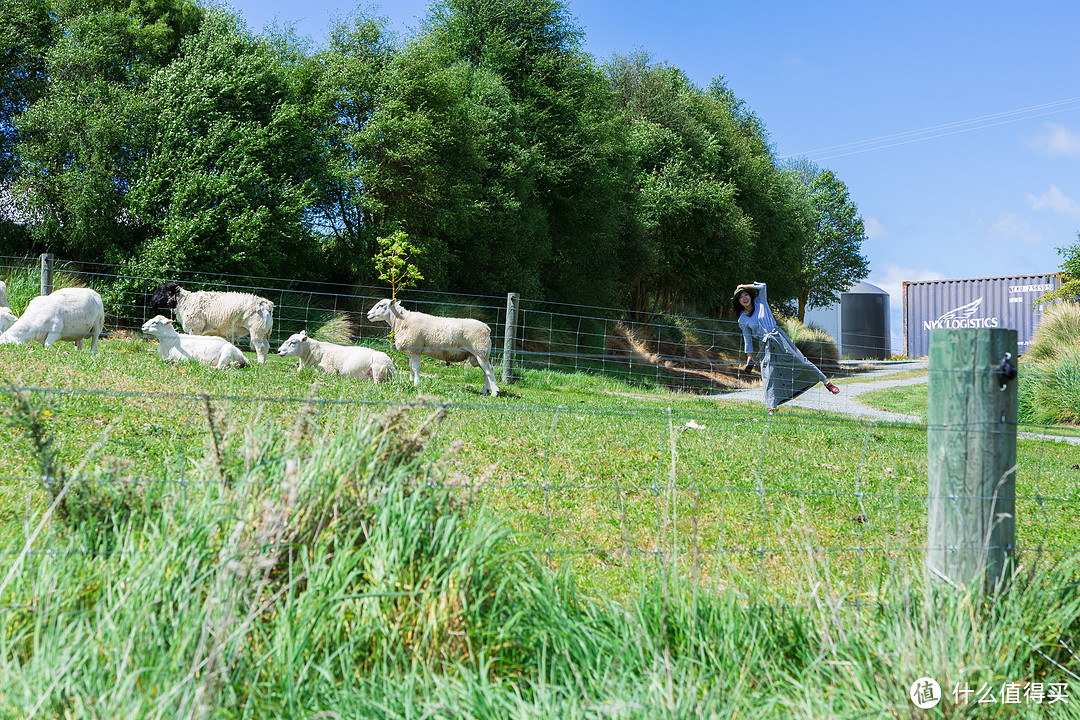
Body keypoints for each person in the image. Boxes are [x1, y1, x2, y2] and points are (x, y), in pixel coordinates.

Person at [734, 281, 840, 414]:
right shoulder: (742, 319)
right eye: (741, 297)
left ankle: (826, 383)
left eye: (746, 295)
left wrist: (744, 285)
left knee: (800, 360)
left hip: (778, 337)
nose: (744, 298)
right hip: (765, 344)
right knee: (768, 374)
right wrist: (749, 356)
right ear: (738, 302)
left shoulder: (760, 302)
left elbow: (763, 286)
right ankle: (772, 406)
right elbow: (747, 338)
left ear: (749, 295)